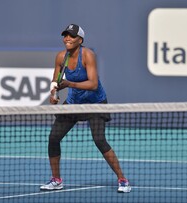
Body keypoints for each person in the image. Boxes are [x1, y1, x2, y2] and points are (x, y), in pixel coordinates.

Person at [40, 24, 131, 193]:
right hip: (73, 104)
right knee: (53, 138)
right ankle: (56, 180)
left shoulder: (88, 55)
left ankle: (123, 179)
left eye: (72, 36)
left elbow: (93, 84)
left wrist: (69, 84)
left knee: (99, 140)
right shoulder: (61, 57)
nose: (67, 38)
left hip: (95, 104)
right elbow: (55, 81)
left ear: (80, 40)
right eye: (65, 35)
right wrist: (54, 94)